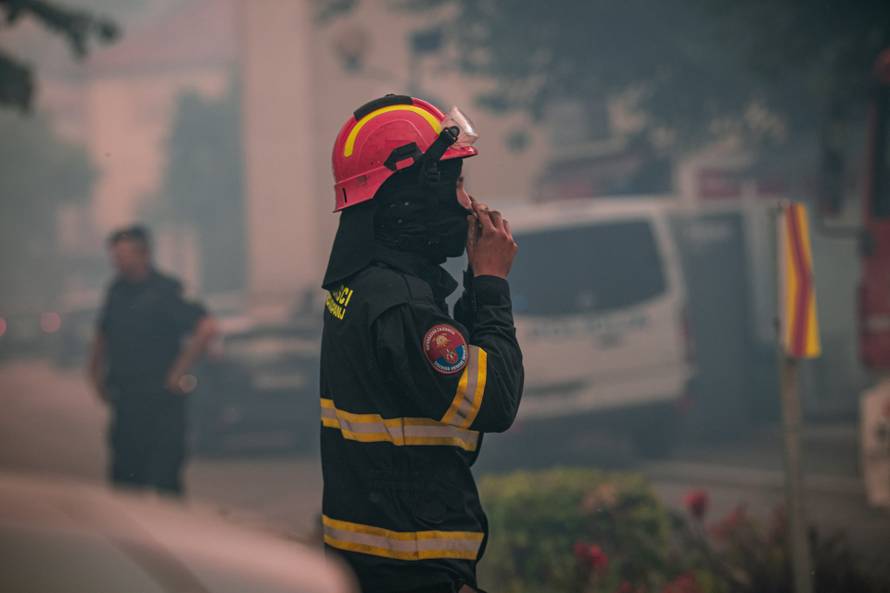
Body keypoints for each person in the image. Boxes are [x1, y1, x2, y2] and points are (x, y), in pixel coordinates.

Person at [320, 94, 524, 593]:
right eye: (455, 184)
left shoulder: (364, 285)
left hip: (375, 559)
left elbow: (428, 389)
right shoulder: (402, 305)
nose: (467, 204)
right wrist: (492, 284)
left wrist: (473, 288)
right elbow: (493, 402)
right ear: (410, 197)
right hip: (413, 564)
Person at [88, 225, 216, 496]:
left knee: (165, 480)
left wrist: (178, 372)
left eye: (123, 255)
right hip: (127, 400)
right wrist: (94, 374)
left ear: (143, 254)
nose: (117, 261)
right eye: (114, 255)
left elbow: (206, 328)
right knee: (125, 481)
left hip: (162, 402)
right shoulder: (116, 291)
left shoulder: (167, 290)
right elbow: (102, 334)